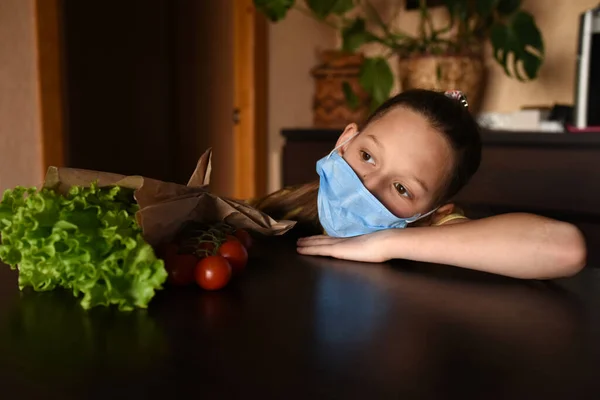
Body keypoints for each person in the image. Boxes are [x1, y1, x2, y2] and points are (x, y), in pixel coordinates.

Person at [253, 89, 586, 279]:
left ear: (435, 210)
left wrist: (386, 243)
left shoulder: (434, 227)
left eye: (402, 188)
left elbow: (564, 248)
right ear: (346, 140)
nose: (368, 186)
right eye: (367, 155)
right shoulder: (291, 202)